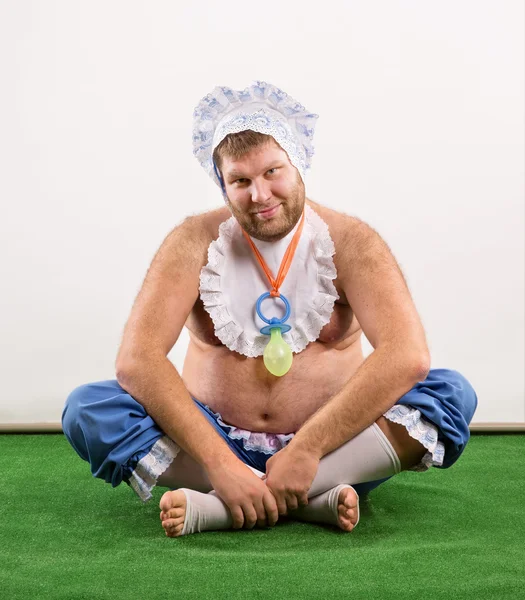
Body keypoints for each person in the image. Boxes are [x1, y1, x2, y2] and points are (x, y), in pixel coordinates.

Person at [62, 81, 478, 537]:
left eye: (272, 172)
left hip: (332, 448)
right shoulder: (191, 242)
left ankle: (235, 505)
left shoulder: (354, 242)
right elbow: (137, 362)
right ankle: (285, 497)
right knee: (87, 409)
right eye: (240, 180)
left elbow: (406, 355)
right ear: (222, 183)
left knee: (451, 395)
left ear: (299, 164)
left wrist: (308, 450)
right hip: (208, 447)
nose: (259, 195)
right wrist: (220, 463)